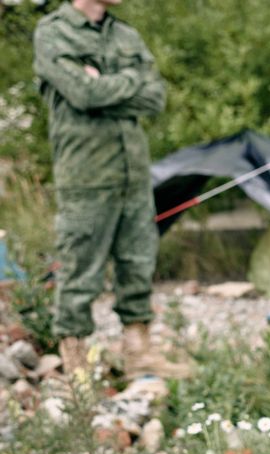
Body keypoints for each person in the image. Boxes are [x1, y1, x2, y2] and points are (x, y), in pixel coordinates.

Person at [33, 0, 177, 377]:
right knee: (80, 268)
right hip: (86, 176)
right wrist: (120, 85)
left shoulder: (125, 34)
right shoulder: (52, 31)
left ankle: (138, 351)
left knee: (138, 262)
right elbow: (82, 94)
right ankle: (76, 363)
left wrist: (103, 84)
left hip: (133, 175)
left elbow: (154, 97)